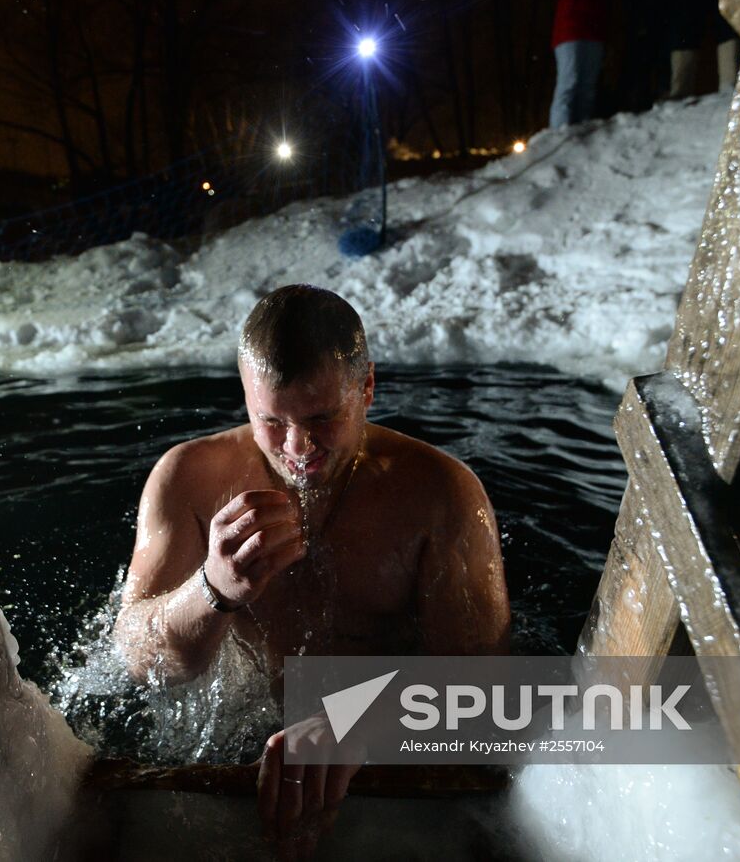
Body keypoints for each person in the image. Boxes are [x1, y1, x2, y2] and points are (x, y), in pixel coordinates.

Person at [114, 284, 510, 855]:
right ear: (246, 397)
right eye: (272, 421)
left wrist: (358, 721)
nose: (298, 447)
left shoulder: (440, 495)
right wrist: (213, 588)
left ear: (367, 387)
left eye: (322, 418)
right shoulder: (188, 479)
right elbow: (136, 658)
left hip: (380, 770)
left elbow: (486, 692)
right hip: (235, 757)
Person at [547, 0, 609, 129]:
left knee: (588, 86)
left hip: (594, 31)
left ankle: (581, 128)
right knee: (569, 81)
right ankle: (559, 131)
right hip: (569, 31)